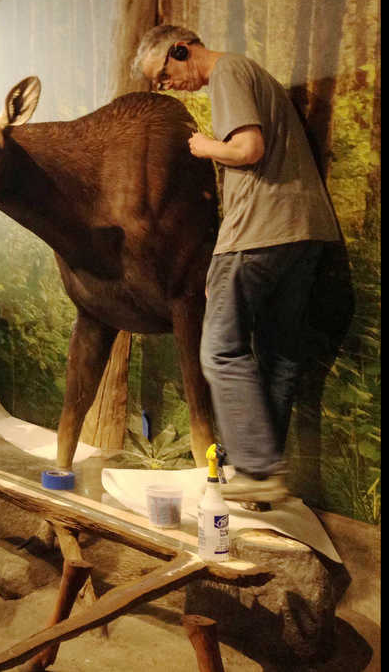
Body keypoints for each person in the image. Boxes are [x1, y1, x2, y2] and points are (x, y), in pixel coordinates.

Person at [132, 25, 342, 503]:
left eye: (163, 74)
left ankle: (256, 468)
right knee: (280, 356)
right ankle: (267, 478)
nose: (167, 85)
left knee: (220, 351)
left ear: (180, 50)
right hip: (305, 232)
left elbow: (248, 150)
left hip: (258, 233)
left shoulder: (227, 71)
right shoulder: (254, 73)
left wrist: (206, 148)